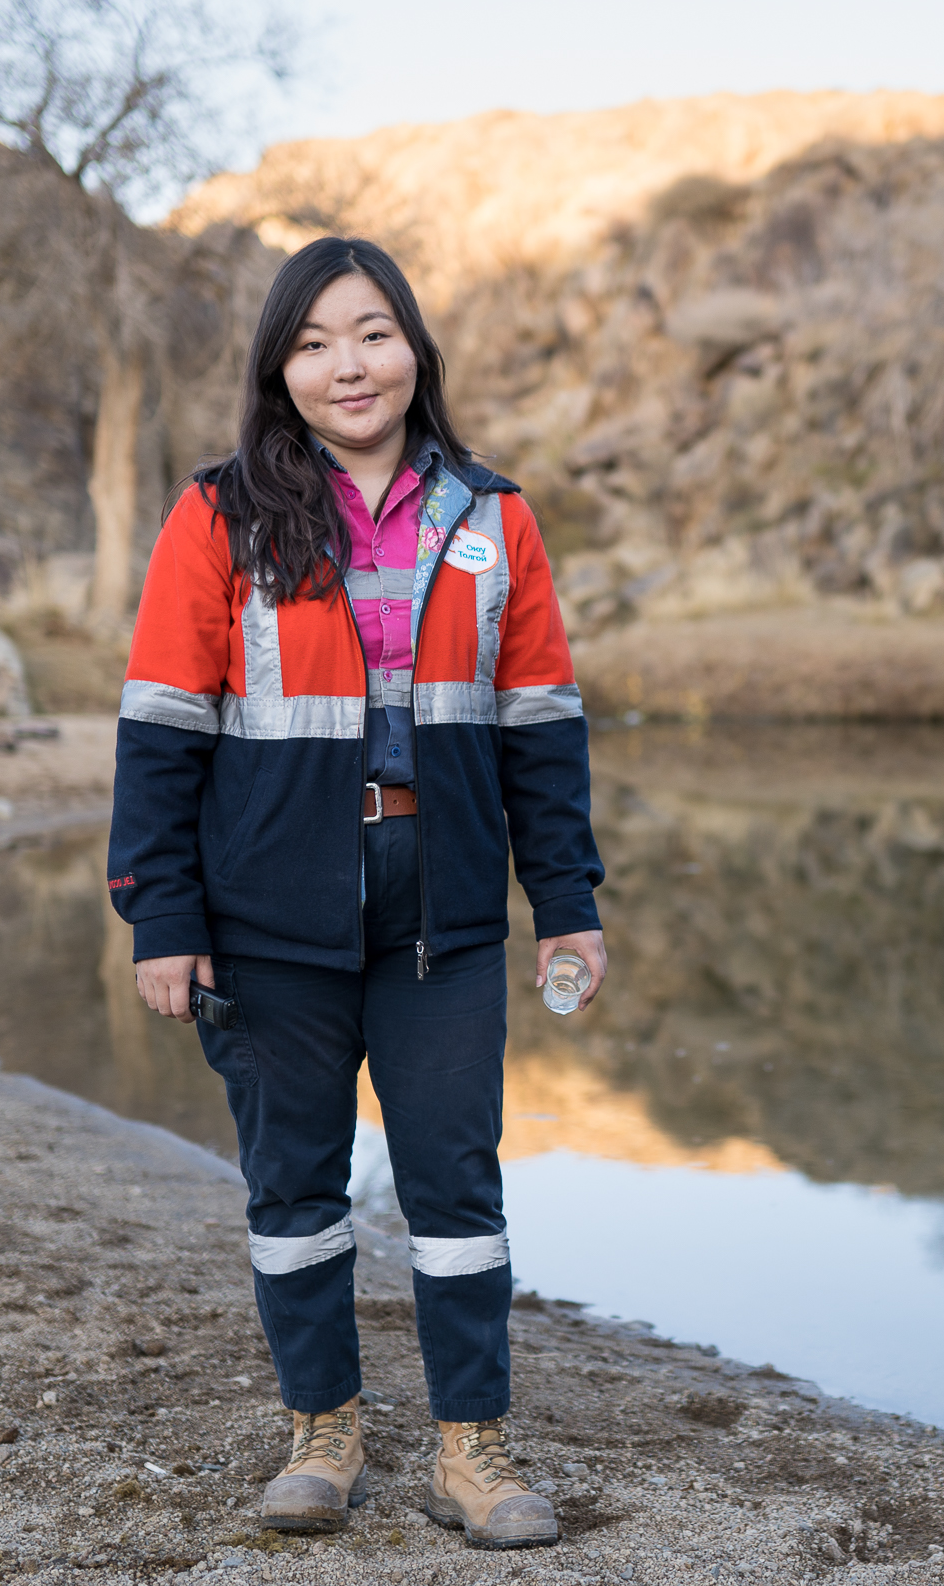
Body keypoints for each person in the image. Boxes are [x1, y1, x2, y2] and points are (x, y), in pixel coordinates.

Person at [107, 235, 606, 1550]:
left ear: (415, 351)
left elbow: (542, 729)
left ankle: (471, 1447)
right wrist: (162, 915)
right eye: (315, 340)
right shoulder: (218, 515)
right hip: (269, 917)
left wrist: (568, 903)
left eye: (373, 332)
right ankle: (322, 1430)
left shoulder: (495, 520)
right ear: (282, 367)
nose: (349, 363)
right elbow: (161, 728)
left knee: (457, 1185)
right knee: (294, 1189)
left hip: (442, 916)